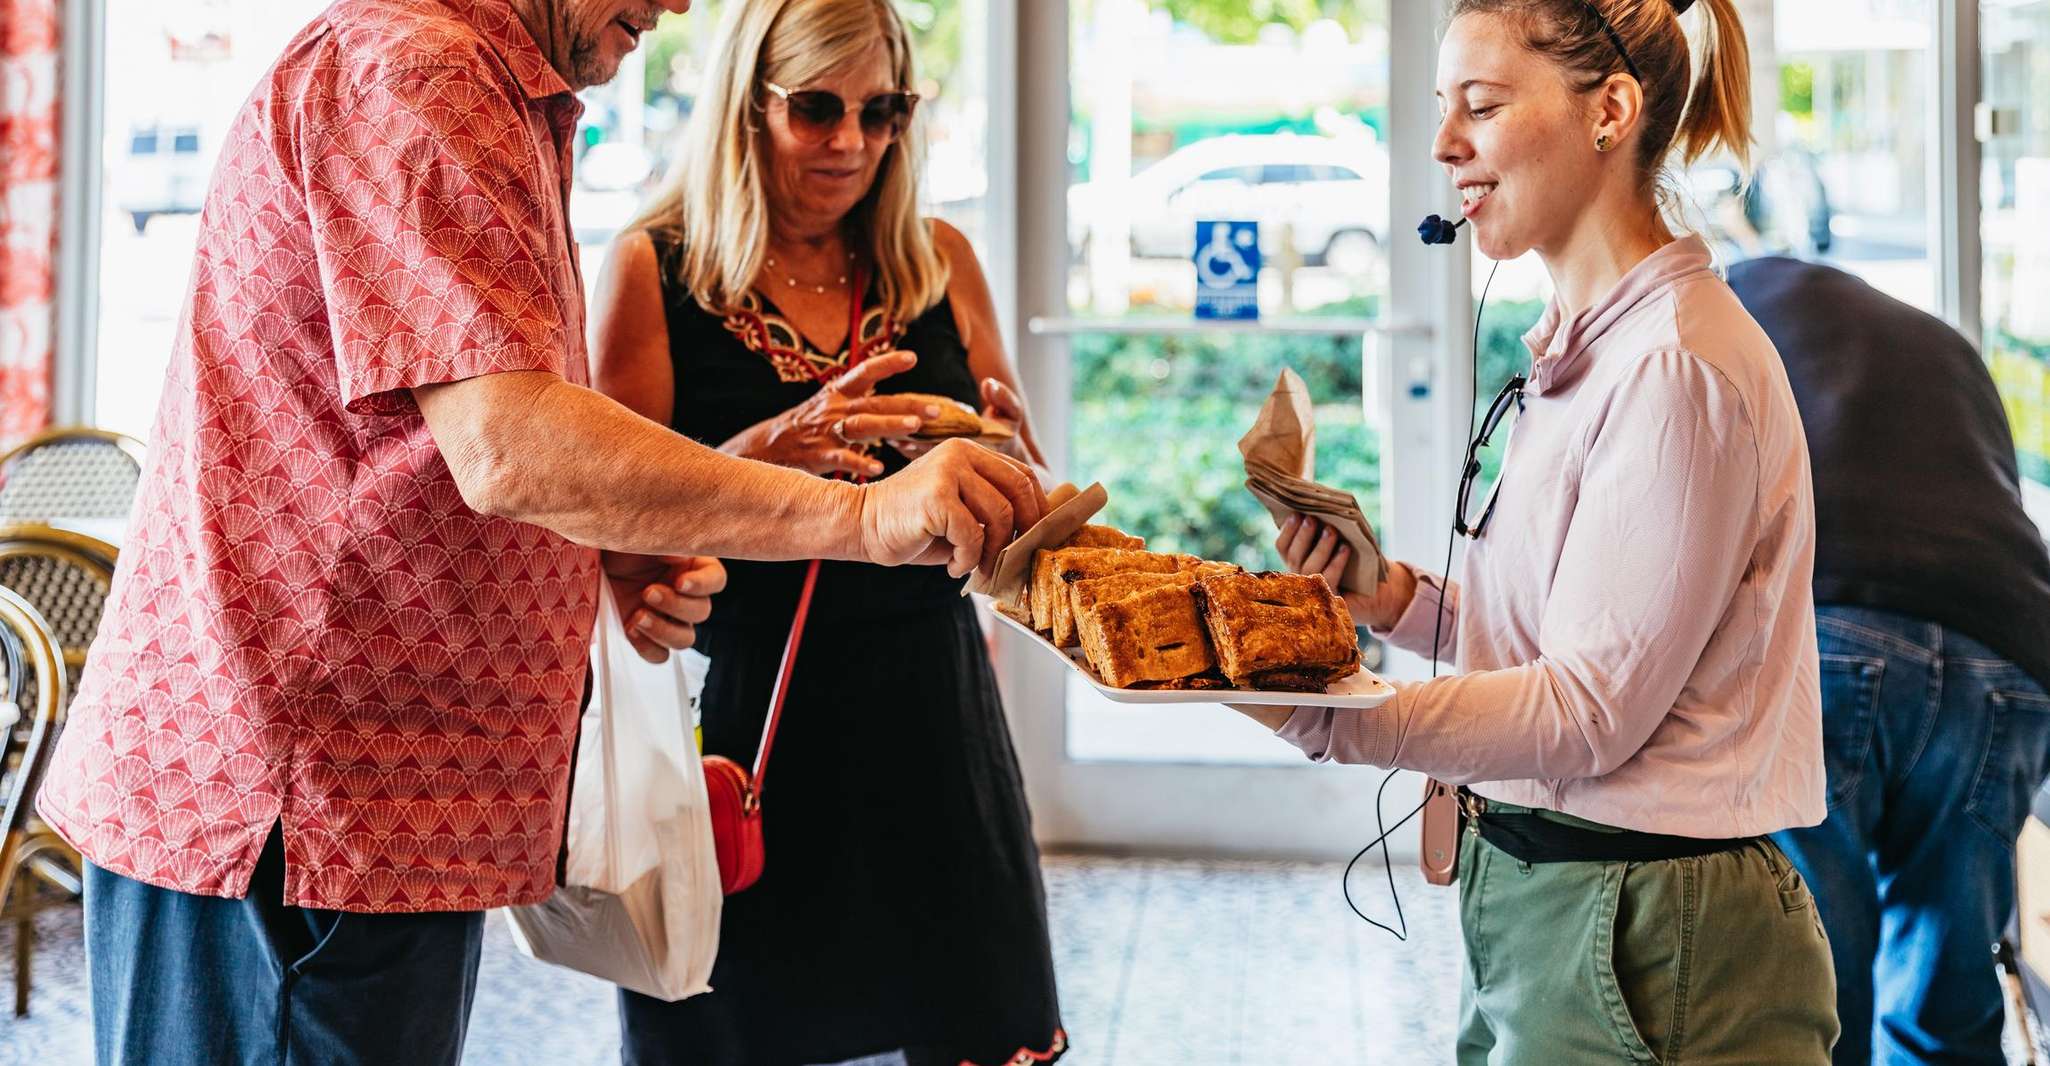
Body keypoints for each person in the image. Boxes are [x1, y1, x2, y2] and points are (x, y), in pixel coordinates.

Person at [34, 1, 1046, 1064]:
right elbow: (509, 444)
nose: (678, 5)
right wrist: (866, 513)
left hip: (373, 814)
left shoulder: (490, 87)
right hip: (303, 812)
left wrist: (602, 559)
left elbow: (441, 465)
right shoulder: (421, 73)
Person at [1243, 1, 1840, 1061]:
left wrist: (1330, 715)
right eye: (1442, 108)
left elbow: (1585, 711)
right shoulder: (1587, 346)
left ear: (1610, 110)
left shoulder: (1675, 369)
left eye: (1480, 105)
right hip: (1552, 899)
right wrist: (1390, 599)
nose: (1442, 144)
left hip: (1648, 931)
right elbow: (1569, 637)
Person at [588, 2, 1065, 1063]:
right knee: (731, 1028)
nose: (849, 142)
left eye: (881, 110)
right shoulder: (650, 271)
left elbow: (1011, 495)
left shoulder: (936, 261)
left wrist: (1024, 484)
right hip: (748, 724)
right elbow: (606, 523)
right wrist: (766, 446)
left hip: (934, 719)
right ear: (746, 108)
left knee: (976, 1025)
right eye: (815, 109)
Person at [1727, 256, 2050, 1066]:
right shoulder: (1945, 347)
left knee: (1817, 987)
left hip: (1836, 628)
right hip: (2010, 656)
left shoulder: (1721, 315)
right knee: (1945, 998)